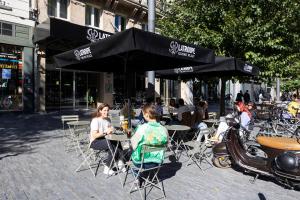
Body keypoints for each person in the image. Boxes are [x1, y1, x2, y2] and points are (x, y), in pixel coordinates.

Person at [130, 103, 168, 186]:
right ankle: (148, 176)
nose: (143, 116)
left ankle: (138, 178)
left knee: (129, 155)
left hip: (141, 162)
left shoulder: (142, 128)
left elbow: (133, 145)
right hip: (157, 163)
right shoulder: (164, 129)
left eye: (143, 114)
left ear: (147, 115)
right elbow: (166, 146)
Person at [90, 103, 125, 175]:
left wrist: (117, 128)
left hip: (106, 139)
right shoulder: (95, 120)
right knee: (111, 145)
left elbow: (111, 131)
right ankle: (107, 168)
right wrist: (106, 132)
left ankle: (120, 161)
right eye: (104, 110)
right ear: (100, 111)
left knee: (117, 141)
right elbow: (95, 135)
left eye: (108, 110)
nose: (106, 112)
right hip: (95, 142)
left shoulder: (108, 119)